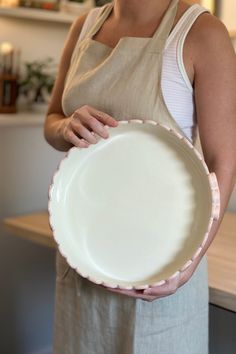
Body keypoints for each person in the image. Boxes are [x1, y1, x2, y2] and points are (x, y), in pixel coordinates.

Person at [44, 0, 236, 353]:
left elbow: (223, 161)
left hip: (162, 265)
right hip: (85, 258)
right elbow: (53, 121)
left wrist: (188, 265)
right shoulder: (83, 27)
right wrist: (66, 126)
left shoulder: (202, 33)